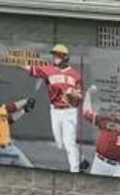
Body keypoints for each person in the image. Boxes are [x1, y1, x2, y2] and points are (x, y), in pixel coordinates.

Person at [23, 44, 84, 172]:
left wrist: (74, 95)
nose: (55, 57)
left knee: (69, 142)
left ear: (66, 57)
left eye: (59, 54)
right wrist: (14, 59)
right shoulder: (48, 69)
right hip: (55, 110)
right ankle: (81, 159)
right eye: (54, 54)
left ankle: (75, 170)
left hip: (69, 111)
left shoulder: (75, 75)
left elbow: (79, 96)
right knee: (59, 143)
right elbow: (30, 69)